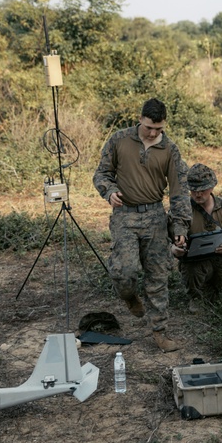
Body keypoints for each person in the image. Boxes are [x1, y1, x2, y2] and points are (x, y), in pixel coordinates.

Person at [93, 97, 188, 353]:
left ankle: (160, 332)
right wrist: (109, 190)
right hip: (125, 215)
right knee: (124, 272)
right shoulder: (119, 140)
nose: (154, 133)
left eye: (159, 129)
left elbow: (179, 191)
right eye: (149, 127)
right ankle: (129, 296)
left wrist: (179, 227)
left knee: (158, 277)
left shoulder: (170, 149)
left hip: (156, 217)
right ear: (140, 120)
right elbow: (101, 174)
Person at [171, 163, 222, 309]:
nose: (198, 194)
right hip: (196, 263)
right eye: (194, 190)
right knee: (193, 273)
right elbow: (168, 238)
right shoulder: (182, 211)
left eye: (203, 190)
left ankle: (216, 287)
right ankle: (196, 296)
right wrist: (174, 249)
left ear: (212, 187)